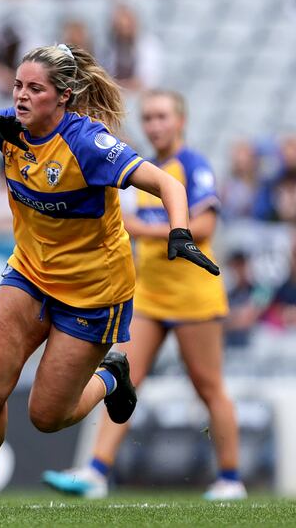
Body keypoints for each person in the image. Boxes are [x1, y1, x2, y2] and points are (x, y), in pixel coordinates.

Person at [0, 44, 218, 510]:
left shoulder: (88, 144)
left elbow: (167, 183)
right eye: (18, 86)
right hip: (29, 274)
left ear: (62, 96)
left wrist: (179, 231)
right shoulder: (11, 125)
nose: (21, 96)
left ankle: (111, 377)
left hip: (92, 294)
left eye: (34, 88)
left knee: (46, 416)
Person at [42, 89, 246, 501]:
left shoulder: (192, 164)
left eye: (162, 117)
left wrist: (142, 229)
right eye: (148, 117)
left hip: (193, 296)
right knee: (122, 377)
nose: (154, 125)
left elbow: (203, 227)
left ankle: (230, 479)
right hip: (150, 295)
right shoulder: (142, 169)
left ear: (180, 121)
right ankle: (96, 472)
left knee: (208, 387)